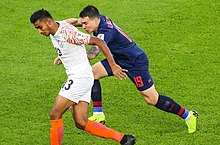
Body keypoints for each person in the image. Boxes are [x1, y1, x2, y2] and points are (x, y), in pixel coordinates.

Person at [63, 5, 198, 133]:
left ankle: (188, 115)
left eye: (86, 24)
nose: (84, 26)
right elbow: (75, 21)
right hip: (119, 58)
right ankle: (98, 113)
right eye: (84, 23)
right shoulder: (98, 18)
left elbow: (93, 52)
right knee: (92, 74)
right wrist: (55, 26)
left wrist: (72, 58)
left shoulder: (106, 31)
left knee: (151, 99)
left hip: (135, 62)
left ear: (95, 19)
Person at [30, 9, 136, 145]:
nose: (39, 31)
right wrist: (64, 54)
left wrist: (113, 65)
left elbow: (99, 42)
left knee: (54, 114)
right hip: (83, 76)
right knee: (81, 122)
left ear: (49, 22)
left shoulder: (67, 34)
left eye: (40, 27)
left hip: (79, 78)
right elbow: (70, 21)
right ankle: (124, 139)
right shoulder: (58, 26)